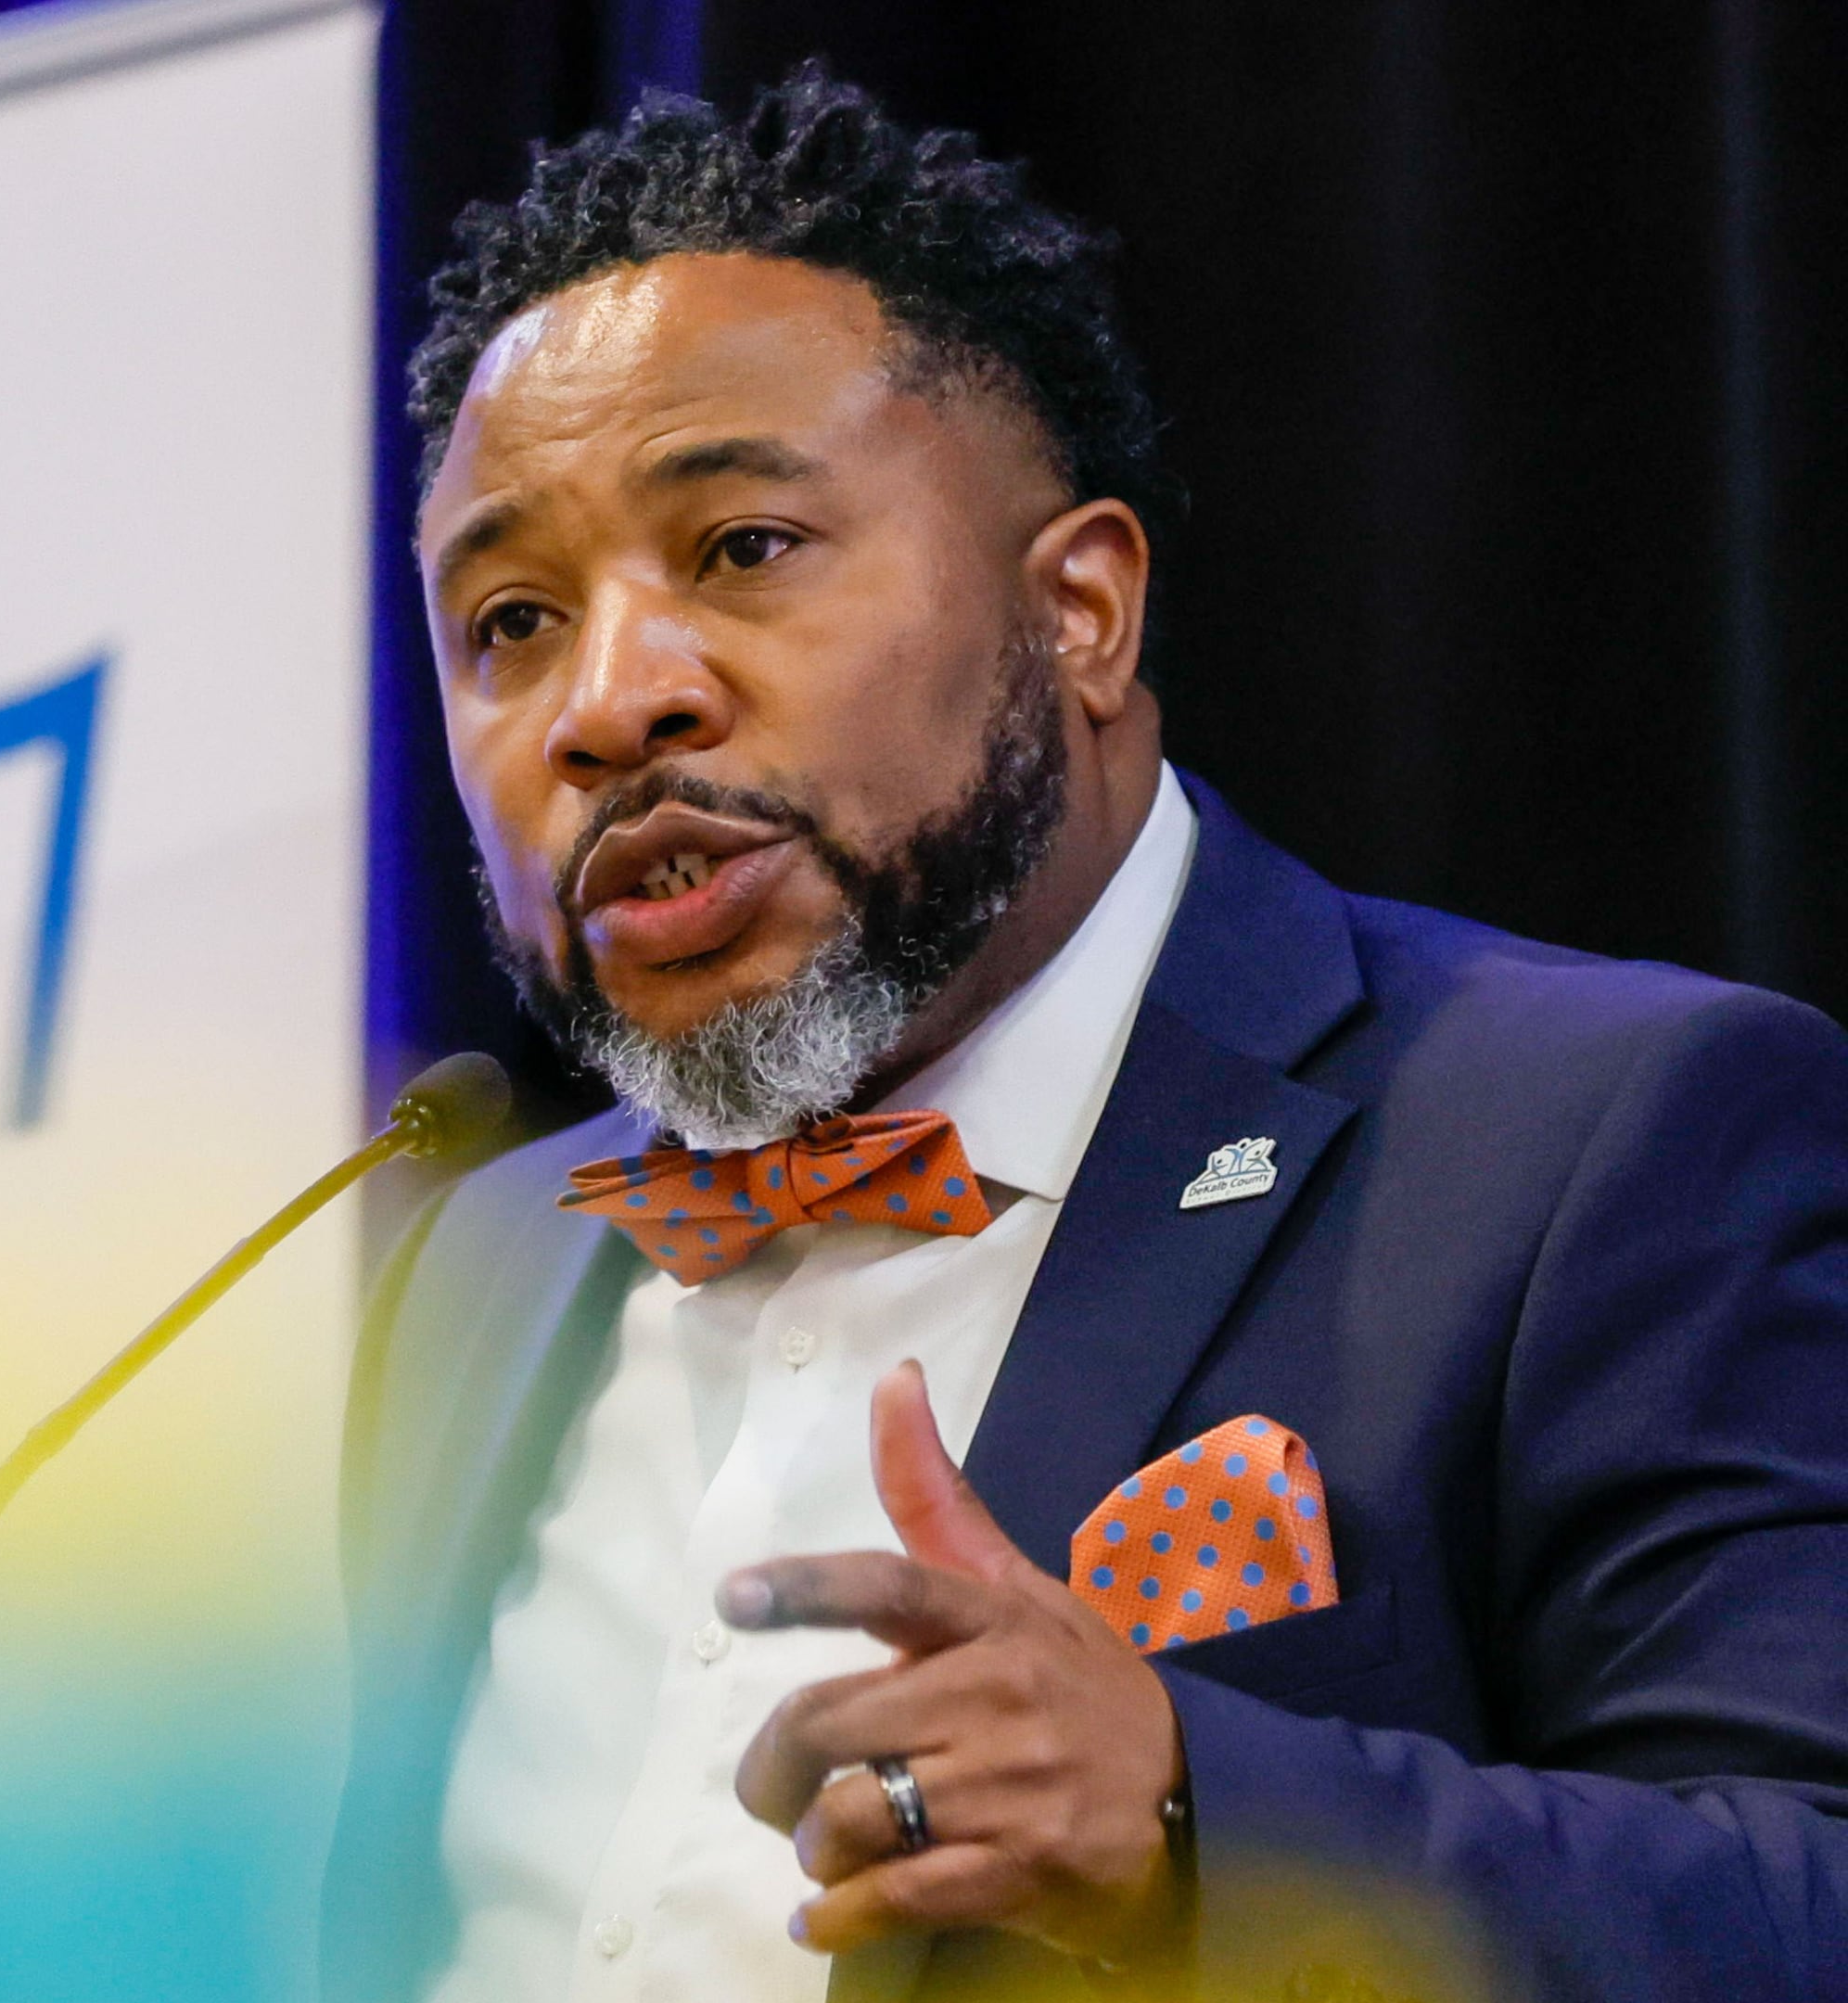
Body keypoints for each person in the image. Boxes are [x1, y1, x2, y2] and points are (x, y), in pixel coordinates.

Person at [325, 66, 1848, 2003]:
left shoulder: (1589, 1143)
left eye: (742, 551)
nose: (608, 704)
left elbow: (1811, 1899)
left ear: (1084, 611)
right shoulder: (459, 1260)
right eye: (512, 620)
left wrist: (1198, 1819)